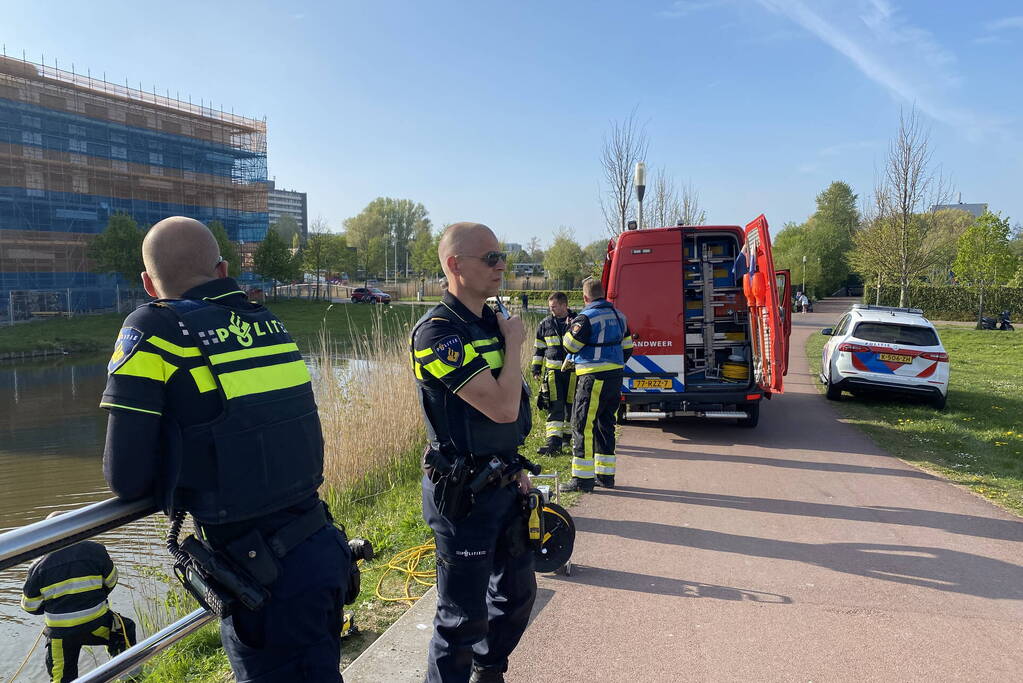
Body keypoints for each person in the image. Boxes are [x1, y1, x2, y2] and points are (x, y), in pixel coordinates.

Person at [100, 216, 349, 682]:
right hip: (320, 551)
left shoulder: (152, 327)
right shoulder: (268, 322)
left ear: (148, 284)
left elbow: (125, 476)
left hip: (262, 577)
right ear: (223, 269)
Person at [410, 222, 536, 683]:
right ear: (454, 265)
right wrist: (516, 344)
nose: (501, 265)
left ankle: (489, 670)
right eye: (490, 258)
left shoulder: (490, 323)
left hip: (503, 481)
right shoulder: (438, 333)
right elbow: (503, 408)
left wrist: (516, 465)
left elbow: (505, 422)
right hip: (464, 493)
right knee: (460, 619)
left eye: (502, 256)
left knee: (516, 596)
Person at [21, 512, 137, 683]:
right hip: (98, 625)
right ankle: (127, 676)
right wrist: (93, 597)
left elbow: (29, 606)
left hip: (61, 634)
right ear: (74, 528)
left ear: (48, 534)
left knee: (62, 676)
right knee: (124, 629)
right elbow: (111, 582)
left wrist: (54, 606)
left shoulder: (38, 567)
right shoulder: (96, 550)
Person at [560, 278, 633, 493]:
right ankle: (606, 476)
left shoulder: (586, 317)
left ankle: (582, 479)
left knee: (582, 425)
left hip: (592, 377)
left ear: (585, 297)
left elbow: (570, 346)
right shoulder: (620, 316)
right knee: (605, 424)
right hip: (615, 376)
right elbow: (628, 348)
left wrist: (568, 330)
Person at [531, 292, 576, 455]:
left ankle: (567, 440)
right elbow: (539, 349)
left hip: (573, 373)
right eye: (550, 307)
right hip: (553, 374)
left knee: (571, 407)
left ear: (565, 305)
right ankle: (553, 443)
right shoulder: (545, 324)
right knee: (555, 406)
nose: (551, 310)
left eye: (554, 307)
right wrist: (536, 369)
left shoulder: (577, 322)